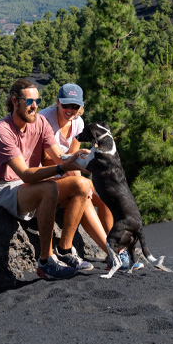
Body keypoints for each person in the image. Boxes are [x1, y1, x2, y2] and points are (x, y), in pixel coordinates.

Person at [0, 78, 96, 280]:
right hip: (4, 188)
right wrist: (63, 167)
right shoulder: (1, 131)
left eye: (38, 101)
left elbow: (57, 156)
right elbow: (25, 174)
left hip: (29, 185)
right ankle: (46, 262)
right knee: (50, 188)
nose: (34, 106)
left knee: (82, 185)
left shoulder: (40, 122)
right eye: (29, 101)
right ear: (15, 101)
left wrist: (77, 159)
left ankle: (65, 249)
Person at [40, 83, 141, 272]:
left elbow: (72, 154)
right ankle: (114, 254)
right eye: (66, 105)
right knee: (85, 192)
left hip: (66, 171)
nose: (70, 110)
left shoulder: (78, 122)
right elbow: (48, 159)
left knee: (104, 195)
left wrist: (82, 165)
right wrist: (81, 164)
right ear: (57, 103)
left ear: (80, 108)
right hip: (47, 175)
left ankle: (116, 248)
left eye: (75, 107)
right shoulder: (44, 119)